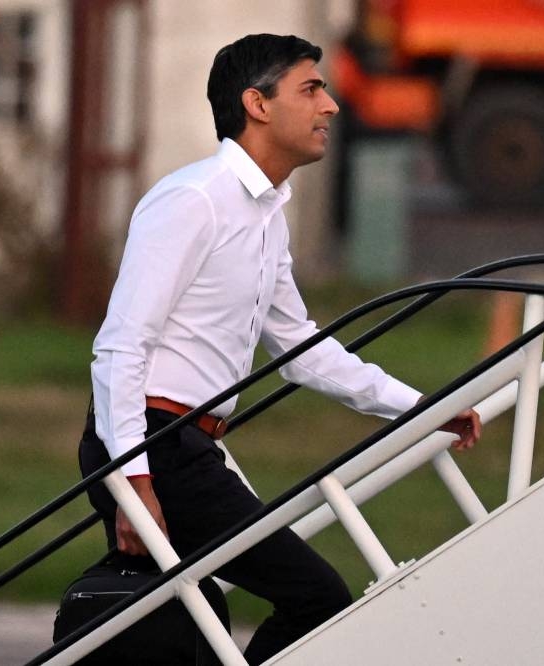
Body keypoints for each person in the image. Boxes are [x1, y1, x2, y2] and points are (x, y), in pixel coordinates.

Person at [79, 33, 481, 665]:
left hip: (188, 445)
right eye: (311, 88)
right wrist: (133, 480)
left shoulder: (267, 212)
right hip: (155, 444)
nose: (332, 106)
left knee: (191, 630)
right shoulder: (195, 199)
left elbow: (305, 351)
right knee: (315, 596)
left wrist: (420, 406)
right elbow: (122, 346)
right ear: (258, 105)